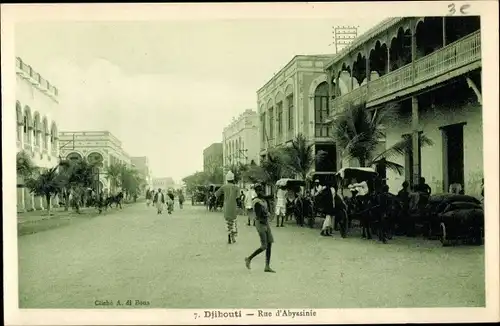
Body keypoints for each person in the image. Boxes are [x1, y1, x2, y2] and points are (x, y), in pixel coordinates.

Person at [245, 183, 276, 273]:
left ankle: (267, 266)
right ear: (256, 191)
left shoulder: (262, 199)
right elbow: (259, 215)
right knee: (264, 246)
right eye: (258, 190)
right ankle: (249, 258)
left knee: (269, 243)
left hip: (265, 223)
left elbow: (268, 197)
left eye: (261, 190)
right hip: (261, 224)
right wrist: (266, 213)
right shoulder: (256, 202)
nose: (260, 191)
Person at [215, 171, 240, 244]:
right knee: (233, 221)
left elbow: (216, 194)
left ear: (227, 179)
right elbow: (238, 198)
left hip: (226, 207)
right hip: (233, 207)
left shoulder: (224, 186)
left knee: (228, 222)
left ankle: (229, 235)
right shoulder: (236, 187)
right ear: (233, 179)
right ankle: (233, 236)